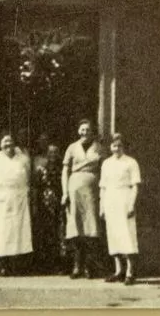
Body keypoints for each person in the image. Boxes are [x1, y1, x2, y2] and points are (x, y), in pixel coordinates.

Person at [0, 131, 33, 275]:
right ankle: (3, 266)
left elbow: (28, 179)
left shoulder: (23, 159)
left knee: (17, 234)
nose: (8, 145)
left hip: (19, 200)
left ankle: (15, 265)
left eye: (11, 142)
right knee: (2, 233)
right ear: (0, 144)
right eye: (5, 142)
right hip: (0, 201)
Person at [62, 119, 105, 279]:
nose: (85, 132)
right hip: (74, 189)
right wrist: (65, 192)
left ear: (92, 131)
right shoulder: (72, 148)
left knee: (91, 227)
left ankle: (89, 267)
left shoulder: (99, 148)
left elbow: (104, 169)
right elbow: (65, 170)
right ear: (78, 131)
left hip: (92, 190)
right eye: (82, 129)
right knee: (76, 227)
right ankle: (76, 266)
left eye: (88, 130)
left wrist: (103, 191)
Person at [100, 133, 141, 285]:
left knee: (127, 235)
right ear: (110, 147)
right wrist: (102, 206)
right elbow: (103, 187)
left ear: (124, 147)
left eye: (119, 145)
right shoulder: (106, 164)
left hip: (124, 198)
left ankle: (130, 272)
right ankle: (119, 271)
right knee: (114, 236)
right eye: (114, 145)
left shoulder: (131, 163)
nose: (116, 148)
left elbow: (135, 185)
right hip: (110, 200)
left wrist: (131, 204)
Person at [31, 143, 65, 274]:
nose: (52, 155)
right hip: (44, 205)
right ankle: (45, 265)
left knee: (59, 234)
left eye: (55, 152)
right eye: (50, 153)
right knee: (45, 234)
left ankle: (59, 264)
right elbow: (35, 187)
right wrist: (35, 204)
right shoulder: (41, 168)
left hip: (59, 204)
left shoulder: (62, 168)